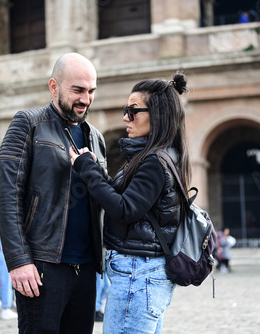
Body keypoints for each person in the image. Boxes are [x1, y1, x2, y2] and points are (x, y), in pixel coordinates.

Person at [0, 52, 106, 334]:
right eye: (78, 90)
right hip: (43, 266)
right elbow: (7, 194)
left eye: (91, 91)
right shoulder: (28, 124)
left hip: (86, 267)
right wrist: (19, 261)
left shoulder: (96, 136)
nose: (86, 99)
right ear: (54, 87)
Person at [70, 72, 190, 333]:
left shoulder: (154, 161)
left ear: (157, 115)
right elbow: (125, 199)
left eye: (133, 111)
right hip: (143, 273)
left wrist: (86, 168)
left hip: (138, 273)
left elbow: (125, 210)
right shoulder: (157, 155)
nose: (126, 117)